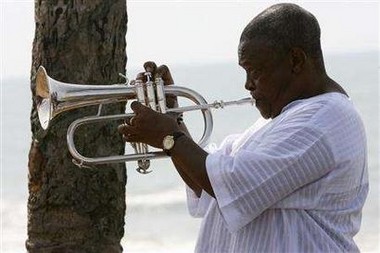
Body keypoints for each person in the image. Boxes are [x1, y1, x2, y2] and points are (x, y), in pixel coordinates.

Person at [118, 3, 368, 252]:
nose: (248, 85)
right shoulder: (286, 119)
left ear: (295, 60)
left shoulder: (324, 120)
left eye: (255, 71)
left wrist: (169, 136)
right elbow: (207, 186)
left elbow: (229, 183)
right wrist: (174, 119)